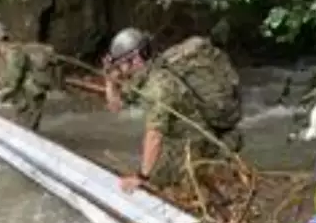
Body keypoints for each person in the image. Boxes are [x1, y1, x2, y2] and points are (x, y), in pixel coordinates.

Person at [104, 27, 242, 193]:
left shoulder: (159, 87)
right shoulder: (145, 77)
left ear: (136, 59)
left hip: (196, 145)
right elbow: (116, 106)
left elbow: (154, 136)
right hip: (177, 140)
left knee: (154, 177)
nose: (120, 70)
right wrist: (110, 82)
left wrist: (142, 177)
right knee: (152, 163)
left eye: (121, 65)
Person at [0, 22, 56, 131]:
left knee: (24, 132)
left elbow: (13, 83)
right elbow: (8, 79)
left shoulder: (14, 53)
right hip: (27, 97)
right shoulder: (11, 52)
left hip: (30, 97)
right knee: (24, 130)